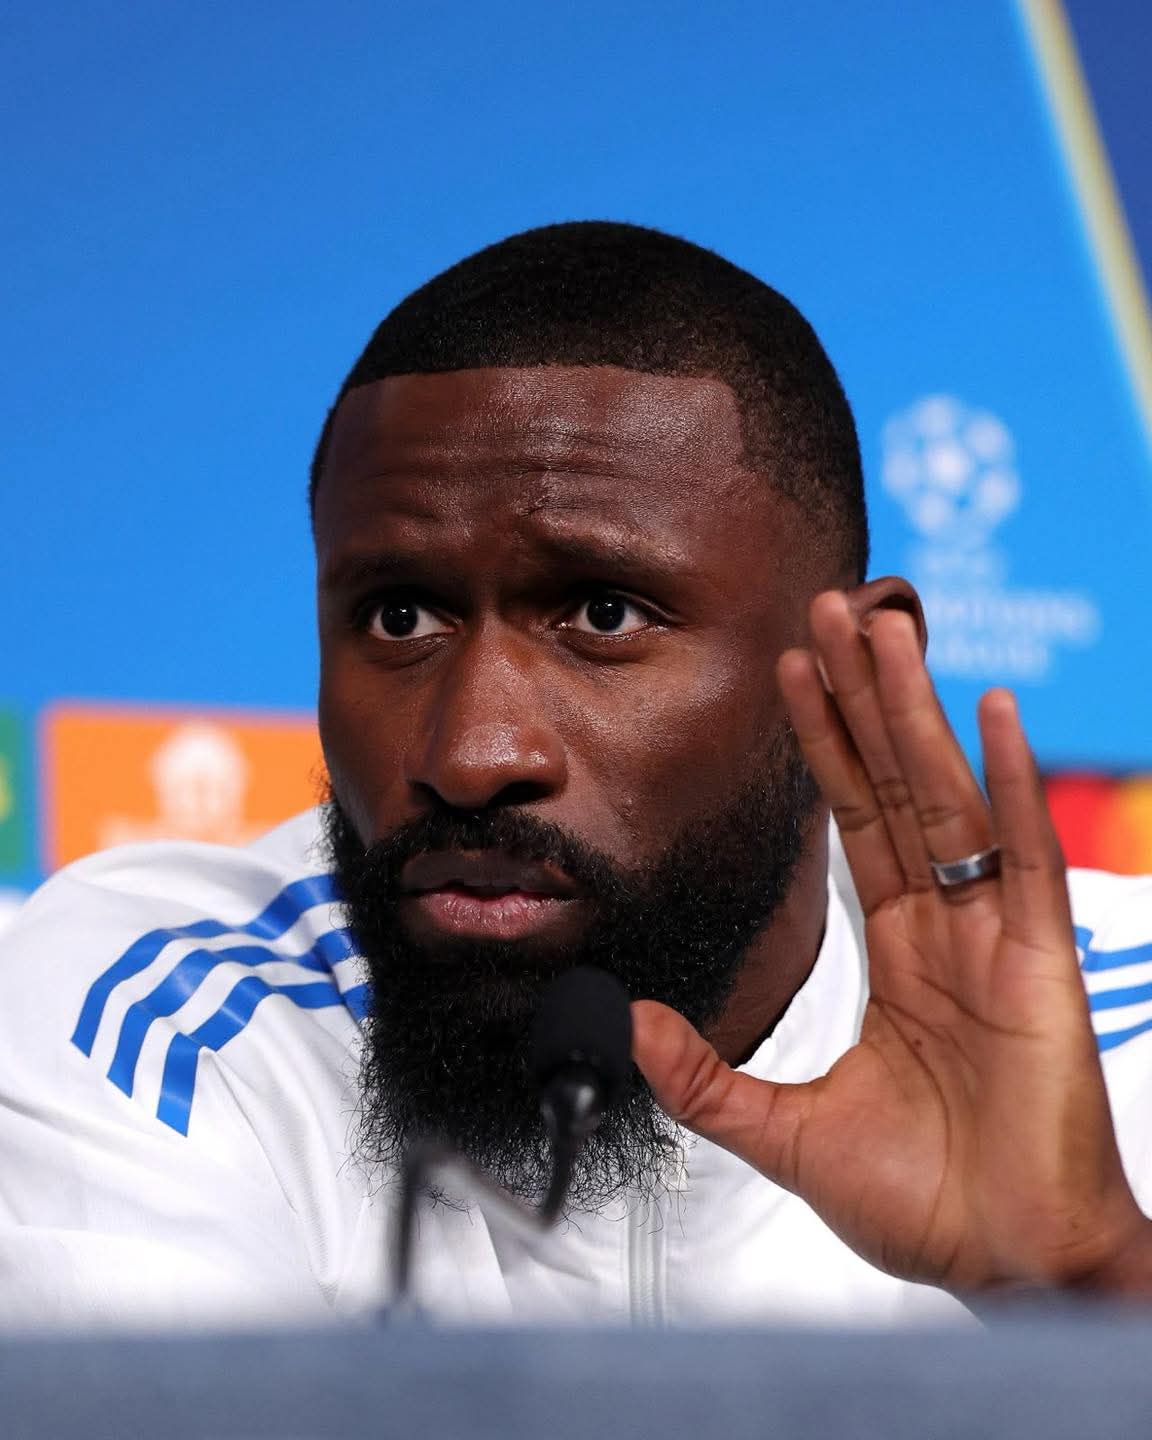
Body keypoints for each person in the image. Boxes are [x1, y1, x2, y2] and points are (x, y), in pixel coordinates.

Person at [2, 221, 1151, 1330]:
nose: (470, 756)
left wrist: (1090, 1275)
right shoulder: (154, 1017)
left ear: (852, 670)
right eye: (400, 618)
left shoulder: (1116, 1042)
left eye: (604, 614)